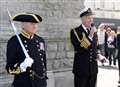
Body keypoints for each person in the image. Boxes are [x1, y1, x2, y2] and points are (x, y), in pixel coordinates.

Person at [6, 13, 48, 87]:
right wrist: (22, 66)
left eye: (36, 24)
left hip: (41, 82)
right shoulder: (14, 41)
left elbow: (43, 62)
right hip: (25, 83)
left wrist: (44, 78)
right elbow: (9, 68)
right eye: (32, 23)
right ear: (23, 26)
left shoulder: (40, 40)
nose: (35, 26)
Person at [70, 8, 100, 87]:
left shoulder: (93, 31)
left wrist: (98, 54)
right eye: (88, 18)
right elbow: (79, 49)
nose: (91, 20)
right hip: (81, 69)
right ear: (82, 18)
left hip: (93, 69)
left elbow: (96, 46)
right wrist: (90, 35)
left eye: (92, 18)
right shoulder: (75, 31)